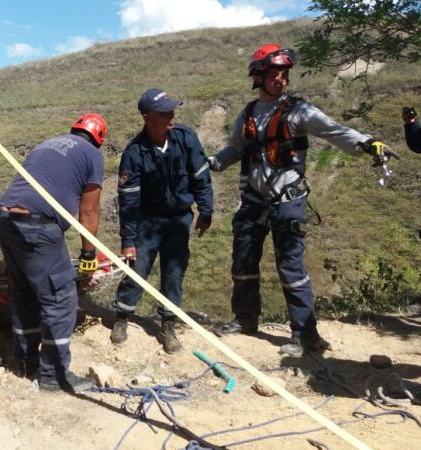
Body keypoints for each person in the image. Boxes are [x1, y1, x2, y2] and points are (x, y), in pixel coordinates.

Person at [208, 43, 398, 356]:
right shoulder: (247, 114)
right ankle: (245, 320)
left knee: (291, 266)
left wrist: (367, 144)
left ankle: (305, 334)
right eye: (274, 74)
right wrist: (213, 163)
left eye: (284, 74)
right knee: (243, 262)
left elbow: (333, 131)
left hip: (288, 200)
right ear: (258, 76)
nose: (281, 79)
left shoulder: (299, 110)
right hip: (253, 200)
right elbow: (235, 149)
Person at [0, 113, 107, 393]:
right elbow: (89, 210)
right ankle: (53, 376)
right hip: (37, 227)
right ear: (99, 139)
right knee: (60, 299)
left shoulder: (46, 145)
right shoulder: (92, 154)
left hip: (7, 222)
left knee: (24, 294)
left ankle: (24, 363)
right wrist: (88, 255)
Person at [110, 89, 214, 353]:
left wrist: (206, 210)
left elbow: (201, 176)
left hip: (179, 221)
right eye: (165, 111)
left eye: (172, 109)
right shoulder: (134, 153)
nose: (172, 115)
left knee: (174, 273)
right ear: (148, 118)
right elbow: (128, 202)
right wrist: (128, 241)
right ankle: (122, 317)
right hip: (147, 222)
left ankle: (167, 324)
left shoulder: (185, 137)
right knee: (138, 271)